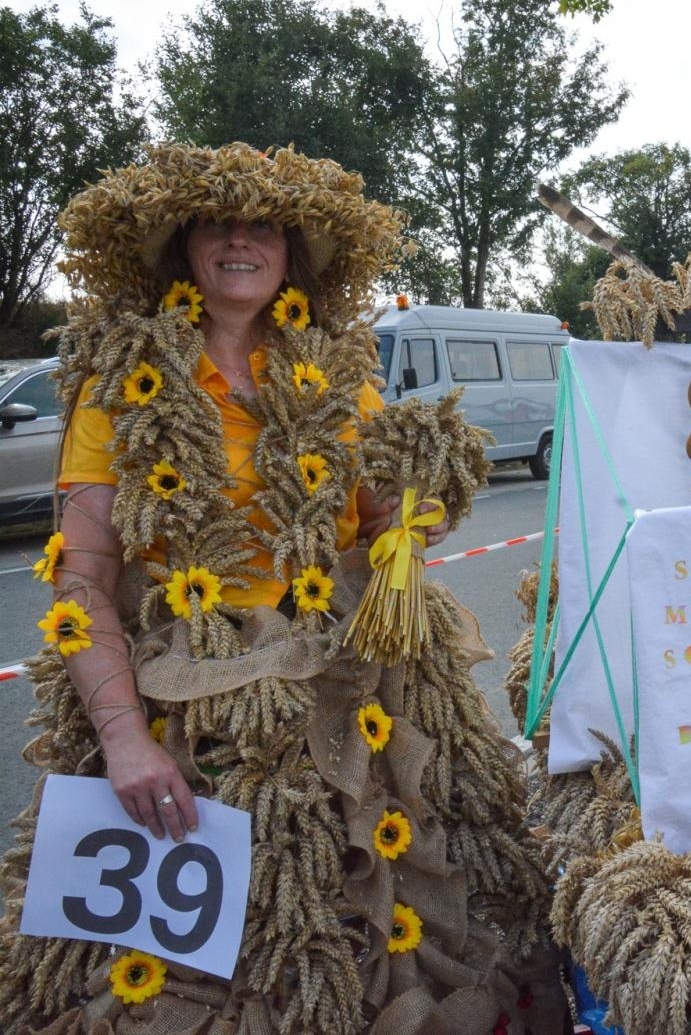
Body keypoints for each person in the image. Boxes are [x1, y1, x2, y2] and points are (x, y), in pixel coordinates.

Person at [0, 143, 563, 1033]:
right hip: (186, 708)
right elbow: (84, 578)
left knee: (383, 919)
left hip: (350, 688)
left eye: (262, 226)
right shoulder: (118, 388)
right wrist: (123, 741)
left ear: (291, 253)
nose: (240, 241)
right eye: (217, 225)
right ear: (183, 247)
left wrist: (410, 522)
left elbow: (376, 518)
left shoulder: (339, 381)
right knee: (201, 971)